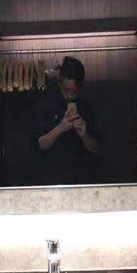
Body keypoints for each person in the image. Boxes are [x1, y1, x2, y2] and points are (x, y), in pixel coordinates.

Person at [36, 56, 100, 185]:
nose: (70, 95)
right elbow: (41, 144)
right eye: (66, 90)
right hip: (52, 180)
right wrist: (60, 128)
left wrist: (84, 136)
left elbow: (97, 149)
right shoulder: (47, 103)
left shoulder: (87, 106)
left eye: (74, 91)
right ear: (59, 83)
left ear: (80, 86)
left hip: (83, 180)